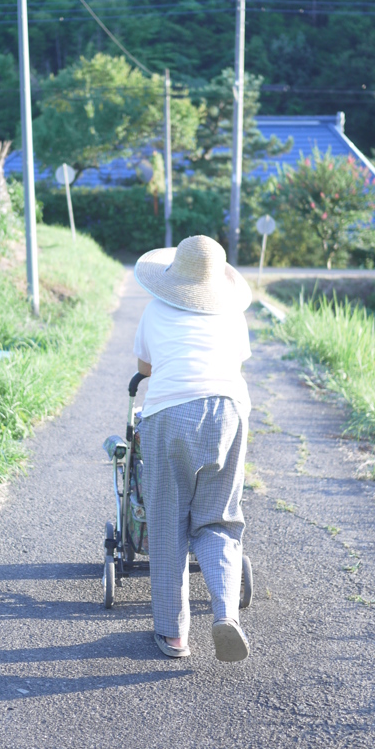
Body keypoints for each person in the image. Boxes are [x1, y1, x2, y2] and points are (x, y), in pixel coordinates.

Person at [133, 234, 252, 662]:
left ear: (174, 274)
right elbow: (236, 363)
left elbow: (145, 368)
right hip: (230, 411)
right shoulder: (233, 315)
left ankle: (174, 635)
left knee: (168, 524)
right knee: (219, 519)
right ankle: (226, 614)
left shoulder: (154, 310)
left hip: (171, 413)